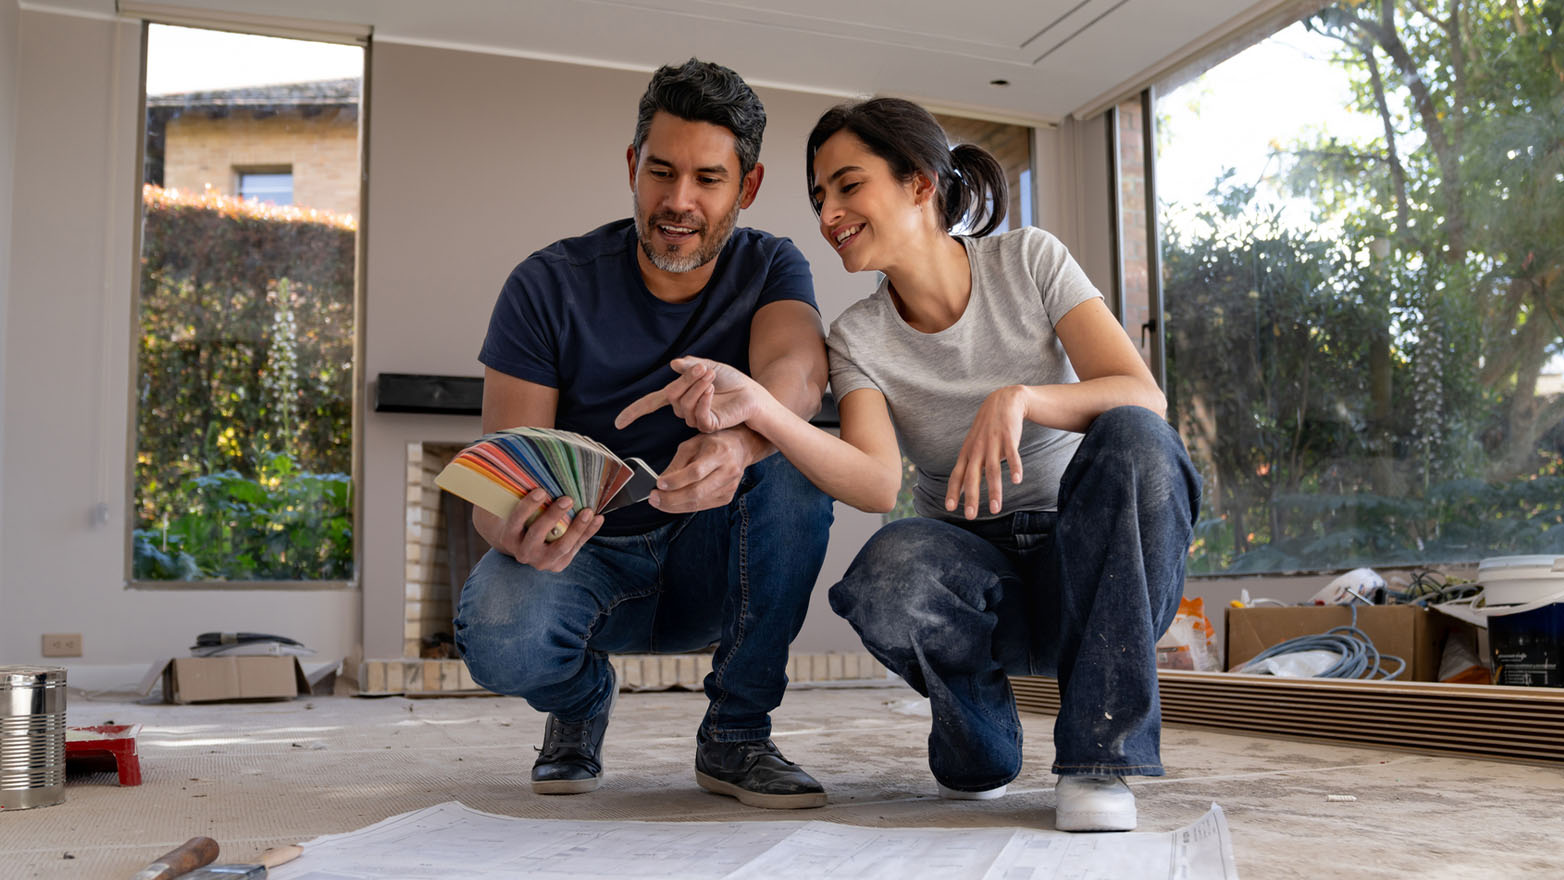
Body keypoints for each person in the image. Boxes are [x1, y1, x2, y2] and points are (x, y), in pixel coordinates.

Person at [618, 97, 1200, 832]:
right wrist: (761, 410)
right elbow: (875, 483)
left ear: (920, 183)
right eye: (819, 196)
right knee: (885, 569)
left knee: (1137, 437)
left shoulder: (1028, 260)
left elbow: (1143, 394)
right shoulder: (858, 336)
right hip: (974, 581)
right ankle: (979, 730)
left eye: (848, 185)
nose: (828, 213)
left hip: (1095, 565)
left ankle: (1099, 761)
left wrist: (1020, 398)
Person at [453, 59, 835, 810]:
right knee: (498, 631)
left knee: (793, 462)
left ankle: (736, 734)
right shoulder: (546, 284)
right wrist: (514, 530)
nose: (679, 201)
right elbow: (492, 486)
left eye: (708, 179)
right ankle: (581, 698)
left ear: (747, 188)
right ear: (632, 166)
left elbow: (798, 371)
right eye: (660, 172)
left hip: (718, 562)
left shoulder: (772, 265)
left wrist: (740, 440)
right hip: (587, 562)